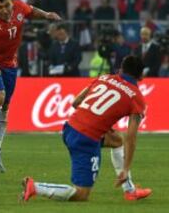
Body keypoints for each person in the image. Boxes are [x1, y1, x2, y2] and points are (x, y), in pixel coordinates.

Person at [21, 56, 152, 202]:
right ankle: (35, 187)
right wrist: (126, 169)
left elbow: (76, 102)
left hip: (69, 128)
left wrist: (100, 123)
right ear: (141, 76)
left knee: (116, 140)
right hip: (86, 139)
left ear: (121, 69)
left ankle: (130, 191)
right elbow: (131, 137)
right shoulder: (136, 97)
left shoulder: (104, 78)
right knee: (81, 194)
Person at [0, 0, 61, 172]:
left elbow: (32, 10)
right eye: (0, 7)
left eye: (7, 5)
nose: (5, 10)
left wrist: (46, 15)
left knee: (5, 106)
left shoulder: (19, 7)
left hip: (11, 66)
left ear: (10, 1)